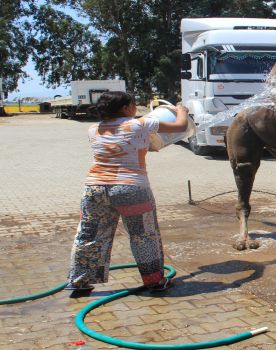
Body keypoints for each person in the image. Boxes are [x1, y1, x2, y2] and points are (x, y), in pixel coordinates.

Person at [66, 91, 188, 293]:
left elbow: (126, 145)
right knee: (143, 235)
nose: (135, 108)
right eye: (132, 104)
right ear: (124, 108)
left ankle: (78, 281)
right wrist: (181, 110)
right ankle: (154, 281)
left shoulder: (93, 129)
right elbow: (181, 126)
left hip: (94, 190)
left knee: (89, 234)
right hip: (131, 189)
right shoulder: (139, 124)